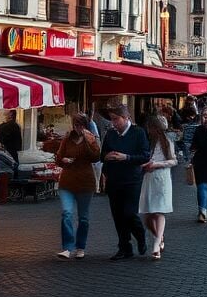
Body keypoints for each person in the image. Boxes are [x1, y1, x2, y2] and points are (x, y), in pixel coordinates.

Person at [100, 104, 150, 261]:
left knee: (129, 213)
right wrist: (106, 157)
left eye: (116, 119)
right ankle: (124, 247)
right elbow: (102, 154)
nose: (113, 123)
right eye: (112, 119)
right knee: (117, 215)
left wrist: (126, 157)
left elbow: (145, 156)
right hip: (114, 179)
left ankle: (140, 236)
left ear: (126, 117)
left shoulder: (138, 133)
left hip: (132, 180)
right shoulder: (110, 134)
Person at [54, 114, 101, 260]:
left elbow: (96, 157)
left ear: (85, 126)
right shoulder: (67, 139)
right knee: (66, 213)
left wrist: (89, 141)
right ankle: (67, 247)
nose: (78, 128)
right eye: (76, 125)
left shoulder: (90, 138)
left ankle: (81, 247)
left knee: (83, 218)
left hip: (85, 182)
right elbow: (58, 158)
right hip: (67, 182)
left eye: (81, 125)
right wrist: (63, 160)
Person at [138, 115, 177, 259]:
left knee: (159, 211)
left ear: (155, 128)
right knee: (148, 216)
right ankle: (159, 237)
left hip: (162, 178)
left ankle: (156, 244)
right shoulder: (149, 142)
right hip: (149, 178)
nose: (148, 130)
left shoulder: (167, 142)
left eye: (150, 127)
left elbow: (173, 161)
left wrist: (157, 164)